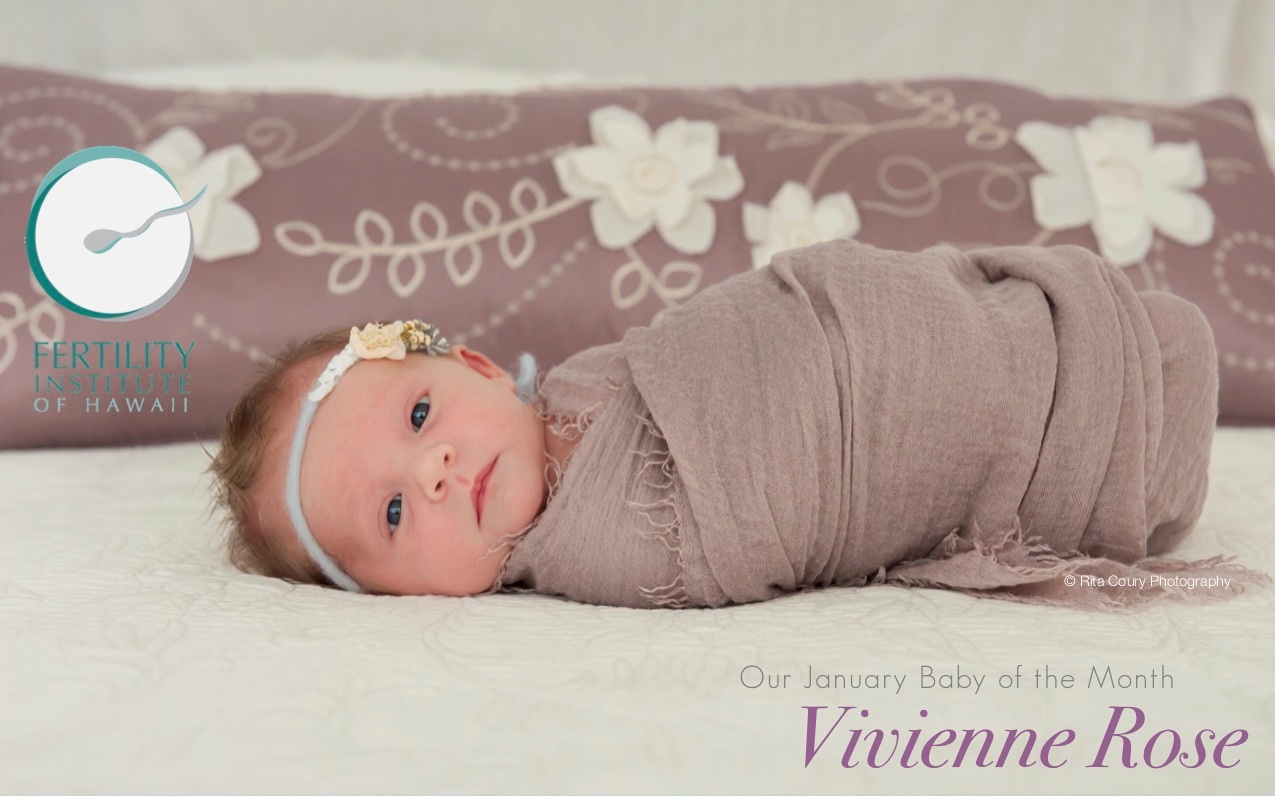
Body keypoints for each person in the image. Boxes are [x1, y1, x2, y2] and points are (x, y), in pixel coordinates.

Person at [210, 240, 1266, 610]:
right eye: (394, 512)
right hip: (902, 443)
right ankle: (1098, 408)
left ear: (479, 367)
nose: (436, 468)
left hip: (886, 339)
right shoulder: (601, 554)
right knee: (1057, 392)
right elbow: (758, 510)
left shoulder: (584, 385)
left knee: (979, 334)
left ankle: (1074, 350)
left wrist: (834, 326)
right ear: (392, 597)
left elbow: (767, 341)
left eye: (419, 413)